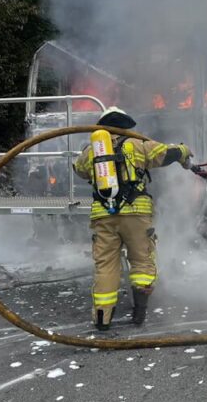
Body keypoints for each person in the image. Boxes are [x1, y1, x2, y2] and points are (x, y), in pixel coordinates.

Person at [74, 107, 193, 331]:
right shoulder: (138, 144)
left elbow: (79, 170)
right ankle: (139, 313)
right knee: (141, 262)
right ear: (126, 126)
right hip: (136, 214)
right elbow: (167, 153)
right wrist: (184, 150)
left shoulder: (93, 150)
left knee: (105, 267)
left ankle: (102, 318)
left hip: (104, 216)